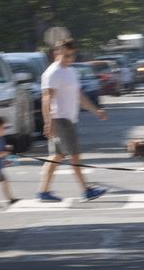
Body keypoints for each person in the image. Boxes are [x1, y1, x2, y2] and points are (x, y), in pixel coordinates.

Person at [38, 39, 108, 203]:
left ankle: (43, 191)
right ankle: (86, 190)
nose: (69, 59)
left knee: (57, 156)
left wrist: (96, 110)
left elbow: (79, 95)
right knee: (75, 156)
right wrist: (48, 122)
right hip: (60, 119)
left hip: (68, 118)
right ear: (57, 52)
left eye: (72, 55)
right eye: (66, 55)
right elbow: (46, 98)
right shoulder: (53, 72)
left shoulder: (71, 71)